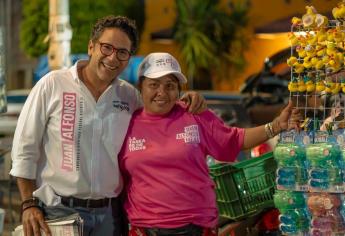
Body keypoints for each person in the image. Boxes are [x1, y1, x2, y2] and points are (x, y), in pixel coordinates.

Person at [10, 16, 205, 236]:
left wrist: (186, 100)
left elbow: (159, 114)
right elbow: (25, 149)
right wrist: (28, 204)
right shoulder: (53, 84)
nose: (113, 58)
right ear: (91, 47)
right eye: (107, 48)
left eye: (122, 52)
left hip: (111, 215)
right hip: (58, 212)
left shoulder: (129, 96)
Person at [118, 52, 301, 236]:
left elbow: (234, 140)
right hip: (144, 229)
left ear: (179, 89)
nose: (162, 92)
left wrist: (276, 126)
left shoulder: (194, 114)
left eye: (170, 85)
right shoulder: (126, 122)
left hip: (195, 227)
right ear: (141, 86)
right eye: (153, 84)